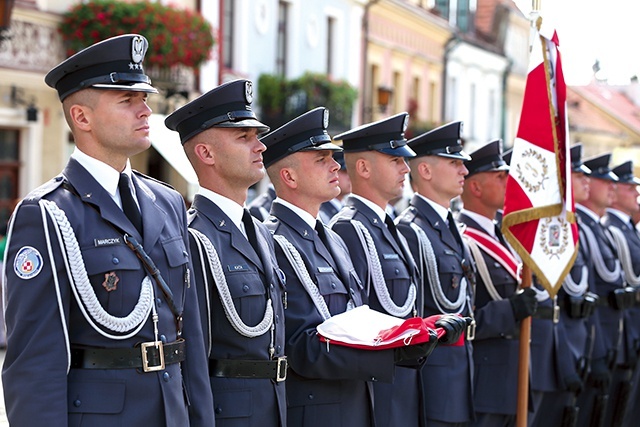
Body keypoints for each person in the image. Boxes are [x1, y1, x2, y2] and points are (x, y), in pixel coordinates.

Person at [1, 34, 214, 426]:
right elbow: (34, 364)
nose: (145, 110)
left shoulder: (167, 203)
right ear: (82, 118)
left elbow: (192, 340)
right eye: (127, 100)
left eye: (144, 98)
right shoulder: (48, 214)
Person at [261, 107, 455, 426]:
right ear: (289, 176)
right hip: (317, 411)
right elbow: (299, 346)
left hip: (355, 405)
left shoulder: (330, 239)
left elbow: (355, 321)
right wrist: (389, 353)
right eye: (321, 159)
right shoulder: (276, 240)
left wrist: (411, 335)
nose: (336, 165)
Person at [330, 113, 467, 427]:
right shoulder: (350, 228)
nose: (406, 167)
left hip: (404, 387)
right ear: (363, 168)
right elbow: (356, 321)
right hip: (379, 393)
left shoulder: (387, 227)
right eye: (395, 160)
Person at [165, 79, 287, 426]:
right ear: (206, 154)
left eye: (257, 136)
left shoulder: (260, 231)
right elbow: (193, 359)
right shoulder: (193, 237)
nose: (260, 147)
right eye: (244, 137)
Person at [394, 121, 476, 427]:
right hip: (433, 381)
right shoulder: (410, 230)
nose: (464, 171)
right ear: (425, 171)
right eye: (454, 163)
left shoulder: (449, 226)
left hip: (461, 375)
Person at [457, 139, 537, 427]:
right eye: (500, 177)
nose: (509, 182)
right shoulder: (463, 239)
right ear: (475, 187)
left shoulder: (507, 235)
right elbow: (463, 317)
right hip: (486, 377)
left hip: (516, 372)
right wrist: (511, 310)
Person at [577, 153, 630, 427]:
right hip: (588, 347)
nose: (612, 187)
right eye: (580, 176)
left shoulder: (600, 231)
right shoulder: (582, 230)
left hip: (612, 342)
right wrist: (596, 352)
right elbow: (592, 295)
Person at [602, 160, 640, 427]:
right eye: (629, 187)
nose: (636, 192)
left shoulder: (625, 229)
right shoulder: (613, 231)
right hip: (617, 333)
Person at [318, 150, 351, 224]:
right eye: (344, 171)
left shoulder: (347, 207)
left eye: (350, 172)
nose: (350, 177)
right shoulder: (321, 212)